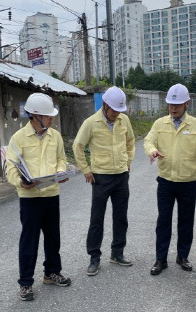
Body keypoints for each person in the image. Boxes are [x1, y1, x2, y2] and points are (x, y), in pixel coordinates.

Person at [144, 83, 196, 276]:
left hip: (188, 182)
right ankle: (161, 259)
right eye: (170, 105)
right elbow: (148, 140)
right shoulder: (160, 124)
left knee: (186, 221)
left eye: (177, 105)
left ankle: (182, 256)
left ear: (187, 103)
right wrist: (152, 150)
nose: (173, 108)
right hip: (166, 181)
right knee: (163, 221)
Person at [6, 93, 71, 301]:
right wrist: (21, 182)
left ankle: (52, 273)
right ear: (35, 116)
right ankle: (25, 283)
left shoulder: (55, 136)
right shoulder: (18, 139)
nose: (52, 119)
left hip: (51, 194)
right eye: (47, 116)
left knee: (53, 237)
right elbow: (10, 168)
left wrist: (61, 172)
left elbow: (61, 159)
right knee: (29, 241)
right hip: (29, 197)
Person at [72, 86, 136, 276]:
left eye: (119, 110)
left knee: (121, 217)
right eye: (114, 110)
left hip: (121, 176)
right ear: (105, 105)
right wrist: (86, 170)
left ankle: (117, 253)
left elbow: (131, 141)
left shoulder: (124, 120)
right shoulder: (91, 123)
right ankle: (94, 258)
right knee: (97, 219)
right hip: (100, 178)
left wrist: (128, 161)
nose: (117, 114)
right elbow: (78, 146)